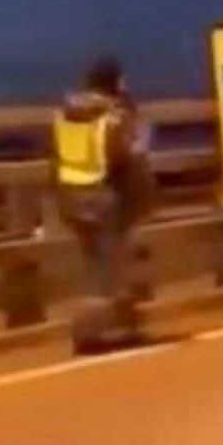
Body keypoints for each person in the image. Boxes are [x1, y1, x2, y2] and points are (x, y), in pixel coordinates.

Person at [53, 57, 153, 353]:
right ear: (114, 83)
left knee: (94, 263)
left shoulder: (63, 113)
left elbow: (55, 157)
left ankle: (119, 322)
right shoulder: (111, 118)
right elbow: (123, 156)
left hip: (70, 196)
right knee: (105, 269)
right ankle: (88, 333)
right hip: (103, 197)